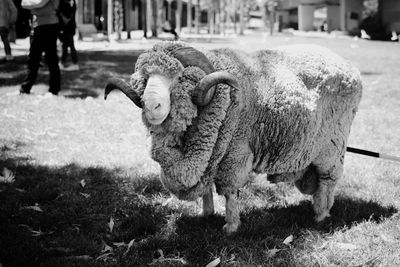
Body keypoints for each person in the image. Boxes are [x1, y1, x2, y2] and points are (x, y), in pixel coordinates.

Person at [20, 0, 61, 95]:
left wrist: (33, 5)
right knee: (33, 59)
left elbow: (40, 3)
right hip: (37, 25)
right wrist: (35, 5)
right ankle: (25, 88)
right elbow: (23, 3)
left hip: (49, 25)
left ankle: (54, 90)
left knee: (51, 58)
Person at [59, 0, 78, 70]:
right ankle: (66, 61)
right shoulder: (69, 7)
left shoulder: (63, 7)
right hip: (68, 29)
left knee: (67, 46)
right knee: (67, 46)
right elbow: (75, 8)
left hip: (66, 29)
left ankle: (65, 62)